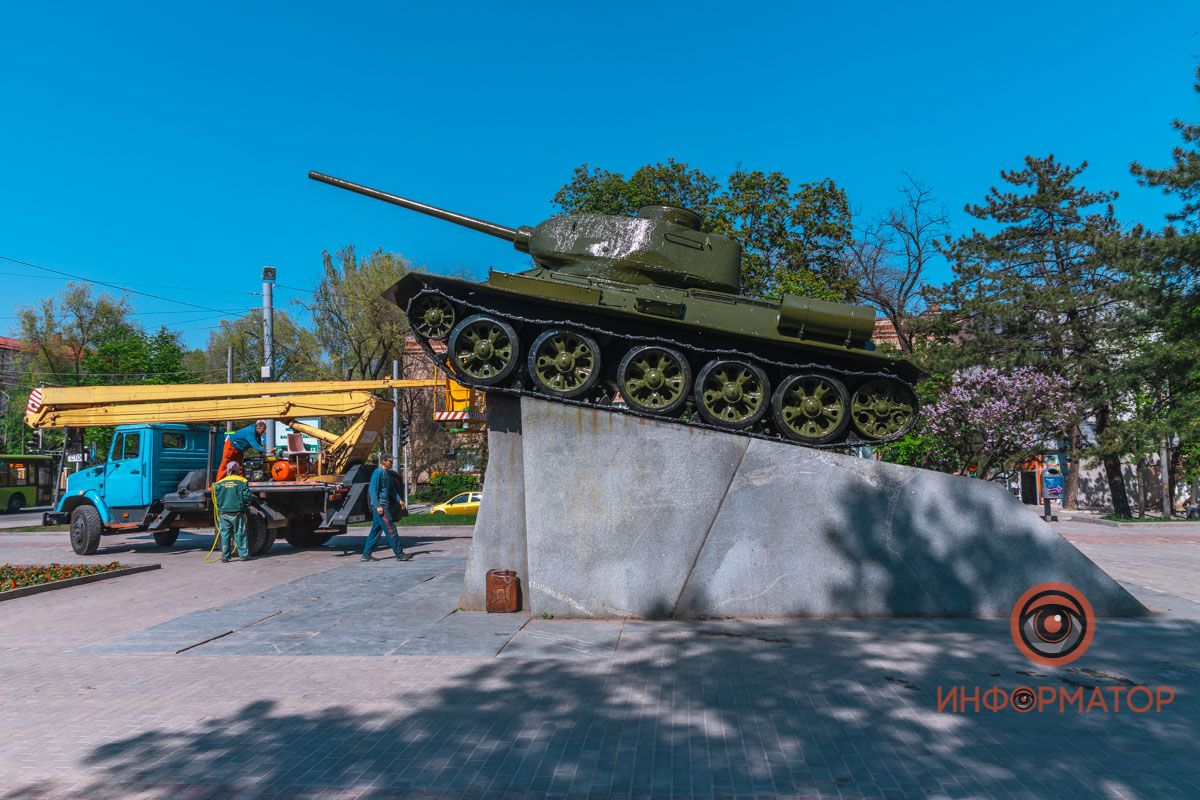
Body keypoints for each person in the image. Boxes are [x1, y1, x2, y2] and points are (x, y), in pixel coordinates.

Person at [362, 455, 412, 562]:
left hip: (384, 505)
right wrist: (377, 506)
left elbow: (391, 490)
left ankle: (366, 555)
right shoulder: (378, 472)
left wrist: (399, 500)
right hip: (381, 506)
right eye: (390, 461)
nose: (392, 463)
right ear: (384, 461)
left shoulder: (387, 474)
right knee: (391, 529)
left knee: (376, 531)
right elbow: (372, 490)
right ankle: (399, 554)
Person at [213, 461, 253, 562]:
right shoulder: (242, 481)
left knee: (225, 534)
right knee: (239, 533)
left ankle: (225, 557)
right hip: (237, 512)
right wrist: (248, 501)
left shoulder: (220, 483)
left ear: (228, 470)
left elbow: (217, 496)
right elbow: (247, 496)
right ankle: (243, 555)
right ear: (238, 470)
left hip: (224, 512)